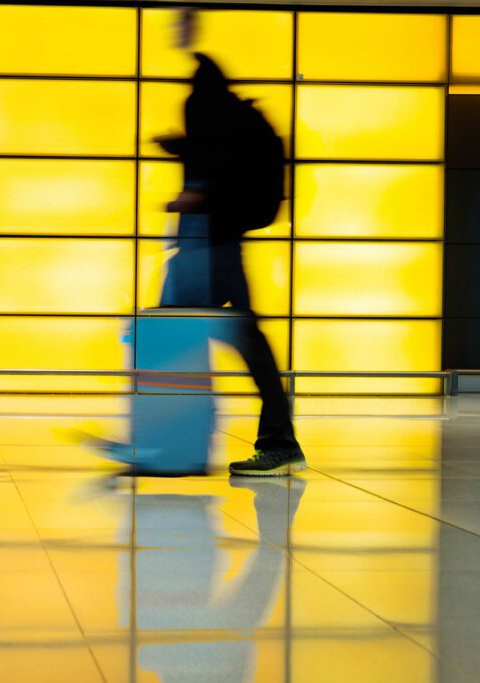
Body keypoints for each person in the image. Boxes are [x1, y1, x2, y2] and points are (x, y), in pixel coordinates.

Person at [155, 9, 305, 476]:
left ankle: (173, 442)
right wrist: (183, 152)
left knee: (175, 336)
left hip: (210, 246)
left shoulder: (208, 109)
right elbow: (220, 161)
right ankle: (264, 441)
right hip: (212, 243)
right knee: (222, 338)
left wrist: (196, 192)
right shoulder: (220, 113)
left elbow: (219, 170)